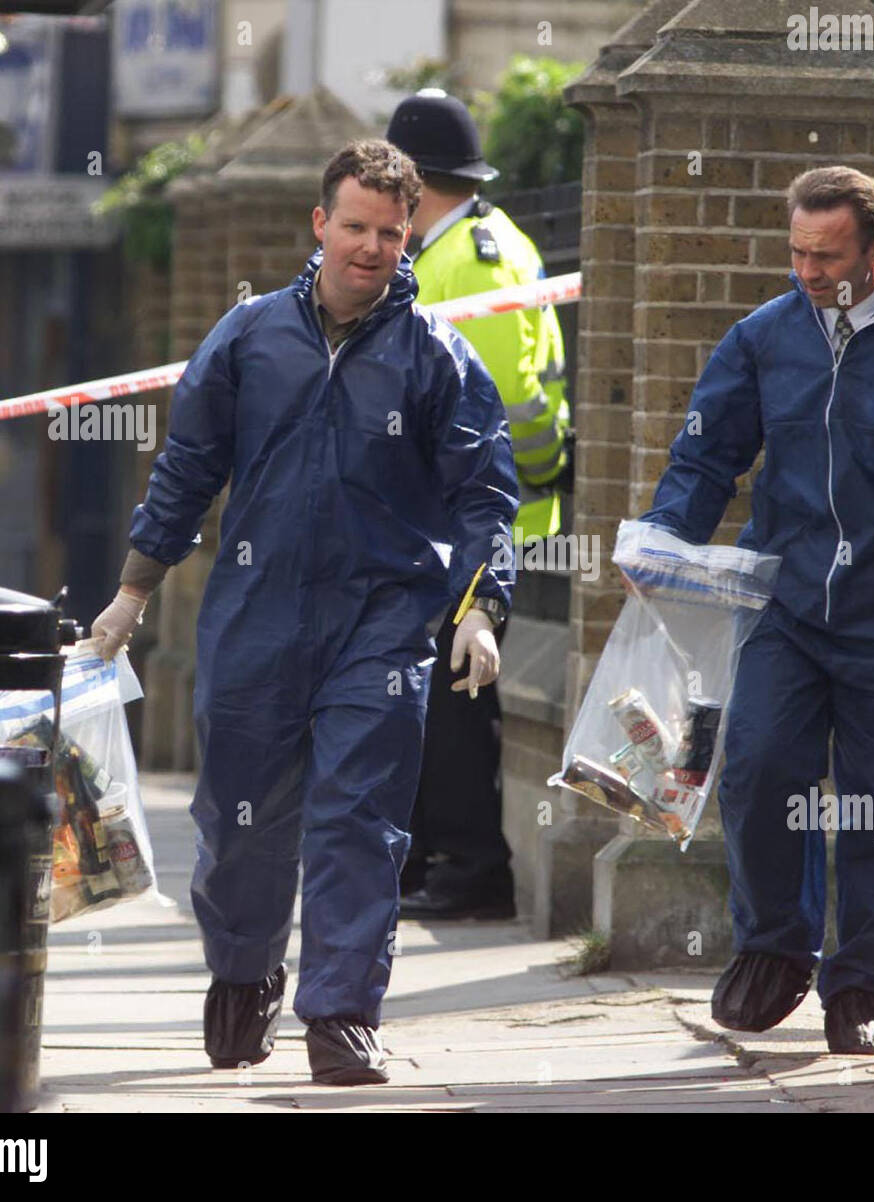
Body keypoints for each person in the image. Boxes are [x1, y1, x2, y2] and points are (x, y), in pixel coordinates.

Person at [89, 139, 518, 1085]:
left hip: (382, 625)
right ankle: (243, 975)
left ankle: (340, 1015)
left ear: (409, 239)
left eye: (391, 233)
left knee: (358, 820)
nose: (371, 247)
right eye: (355, 227)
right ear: (320, 224)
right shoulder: (247, 339)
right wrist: (132, 591)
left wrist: (481, 604)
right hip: (256, 621)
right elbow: (187, 470)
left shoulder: (436, 357)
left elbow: (487, 492)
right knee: (238, 824)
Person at [640, 166, 874, 1054]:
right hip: (788, 603)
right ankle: (776, 948)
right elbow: (705, 457)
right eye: (798, 253)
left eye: (828, 255)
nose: (809, 271)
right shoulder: (765, 338)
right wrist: (664, 537)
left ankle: (868, 989)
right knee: (759, 765)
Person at [384, 90, 570, 921]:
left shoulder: (476, 257)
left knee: (460, 703)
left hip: (480, 523)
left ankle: (471, 869)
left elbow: (499, 406)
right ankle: (433, 860)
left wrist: (529, 479)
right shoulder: (458, 246)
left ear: (415, 178)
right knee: (439, 700)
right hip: (455, 522)